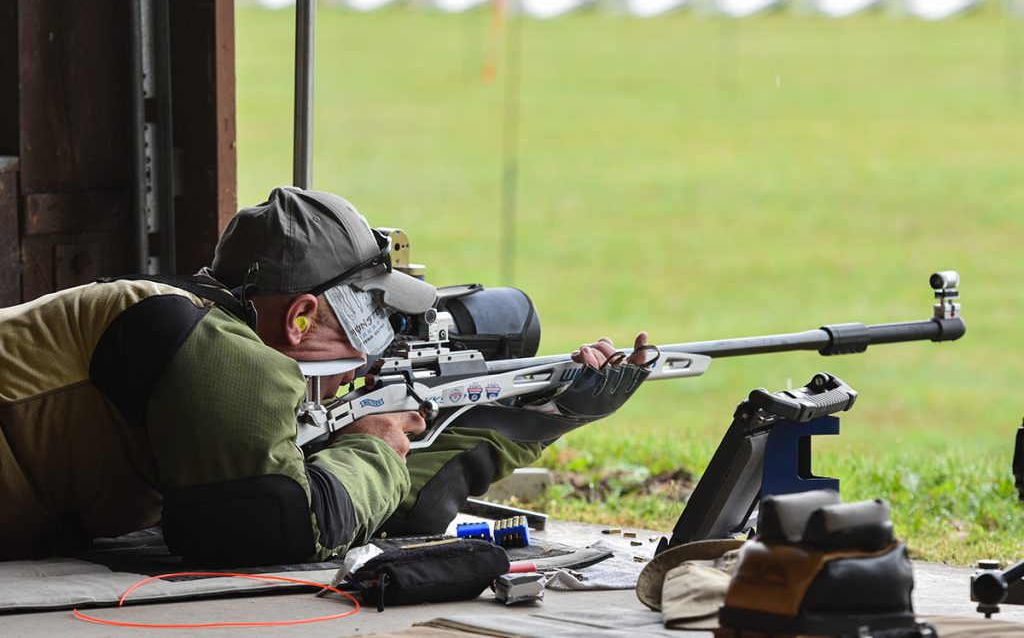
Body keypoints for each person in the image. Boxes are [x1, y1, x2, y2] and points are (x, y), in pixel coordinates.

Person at [0, 187, 654, 566]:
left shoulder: (214, 336)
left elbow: (397, 506)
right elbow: (266, 525)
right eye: (367, 312)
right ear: (303, 313)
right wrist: (371, 442)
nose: (380, 341)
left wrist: (539, 413)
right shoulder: (215, 348)